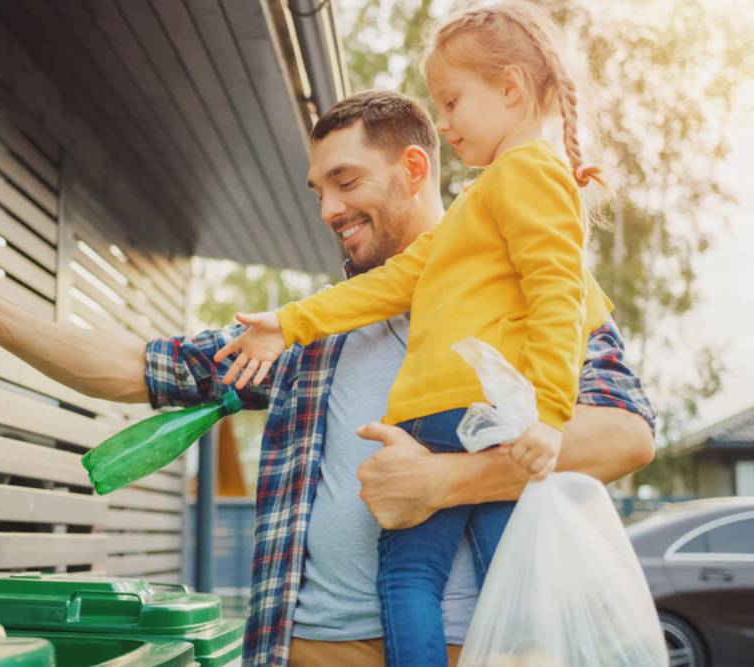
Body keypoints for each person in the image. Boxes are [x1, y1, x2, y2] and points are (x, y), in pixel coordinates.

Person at [0, 90, 655, 666]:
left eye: (346, 182)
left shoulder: (533, 288)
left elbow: (625, 437)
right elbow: (138, 368)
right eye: (319, 189)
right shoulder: (309, 331)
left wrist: (445, 481)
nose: (328, 211)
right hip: (310, 647)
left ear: (415, 169)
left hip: (471, 647)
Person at [214, 4, 626, 666]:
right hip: (476, 420)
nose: (444, 121)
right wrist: (289, 323)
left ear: (512, 88)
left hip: (447, 415)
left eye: (453, 101)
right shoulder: (485, 200)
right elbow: (396, 282)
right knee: (511, 575)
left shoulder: (525, 174)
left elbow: (559, 294)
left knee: (410, 577)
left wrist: (548, 415)